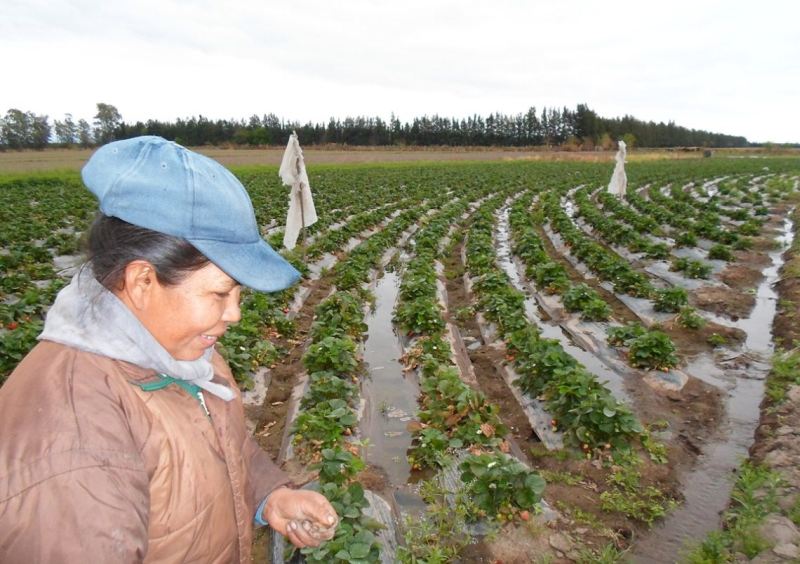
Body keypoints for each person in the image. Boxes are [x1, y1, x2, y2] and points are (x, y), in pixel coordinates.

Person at [0, 136, 338, 562]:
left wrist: (268, 496)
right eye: (218, 294)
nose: (233, 314)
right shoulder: (75, 437)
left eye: (238, 295)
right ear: (142, 281)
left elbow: (216, 444)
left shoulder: (180, 352)